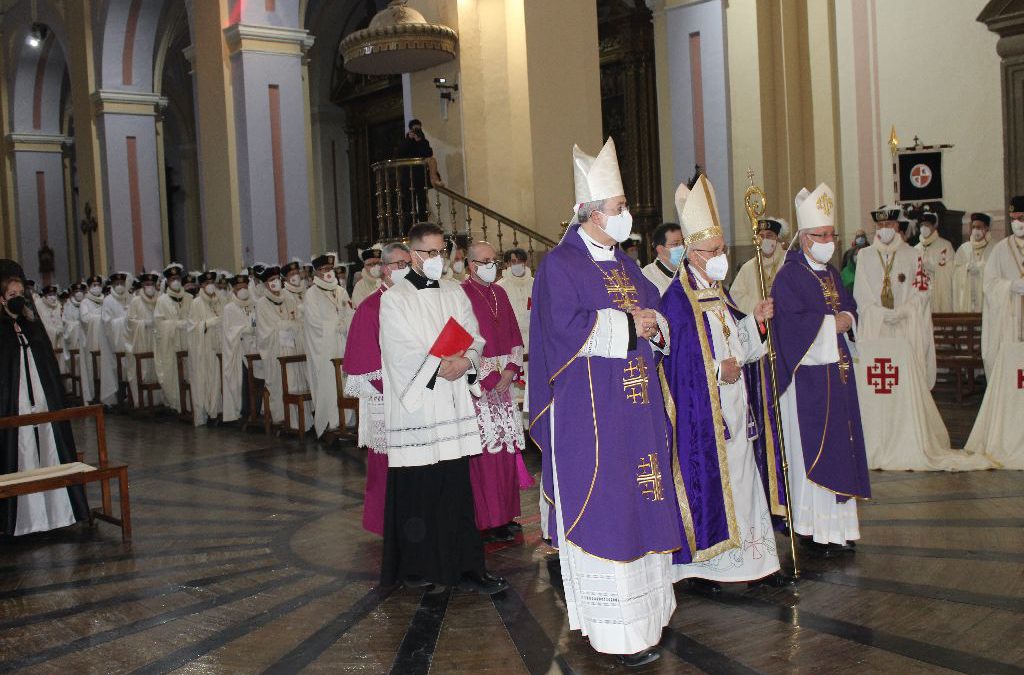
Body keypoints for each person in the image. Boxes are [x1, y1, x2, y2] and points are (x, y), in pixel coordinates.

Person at [529, 138, 680, 667]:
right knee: (611, 508)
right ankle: (617, 632)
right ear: (592, 213)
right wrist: (628, 325)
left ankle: (648, 619)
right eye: (619, 209)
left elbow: (657, 313)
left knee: (643, 500)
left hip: (636, 410)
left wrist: (652, 327)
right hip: (591, 417)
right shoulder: (560, 265)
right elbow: (561, 330)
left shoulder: (622, 262)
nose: (627, 216)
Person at [660, 176, 786, 591]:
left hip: (735, 411)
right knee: (712, 488)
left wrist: (757, 322)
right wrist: (717, 372)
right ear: (691, 254)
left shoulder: (717, 291)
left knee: (745, 485)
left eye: (721, 249)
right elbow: (678, 366)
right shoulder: (677, 302)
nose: (720, 257)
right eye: (712, 251)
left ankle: (757, 563)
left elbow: (739, 344)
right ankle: (704, 568)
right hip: (705, 418)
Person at [379, 222, 507, 596]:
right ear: (414, 255)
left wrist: (466, 361)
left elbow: (474, 333)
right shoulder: (395, 298)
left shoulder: (454, 292)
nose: (438, 260)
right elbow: (400, 351)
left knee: (455, 488)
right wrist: (440, 366)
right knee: (422, 489)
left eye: (442, 252)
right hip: (419, 408)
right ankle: (422, 567)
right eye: (430, 253)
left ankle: (468, 566)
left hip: (451, 403)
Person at [771, 183, 872, 555]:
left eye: (832, 234)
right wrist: (834, 325)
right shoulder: (790, 276)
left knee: (841, 448)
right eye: (821, 235)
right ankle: (812, 530)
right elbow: (793, 327)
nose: (828, 240)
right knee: (812, 453)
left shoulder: (829, 273)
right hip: (808, 382)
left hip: (838, 376)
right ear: (804, 237)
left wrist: (846, 317)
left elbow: (849, 308)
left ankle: (839, 528)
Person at [854, 205, 989, 471]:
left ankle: (907, 436)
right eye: (880, 227)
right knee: (878, 390)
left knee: (905, 389)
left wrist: (905, 311)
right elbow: (861, 295)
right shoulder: (866, 256)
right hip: (877, 333)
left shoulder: (912, 255)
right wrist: (879, 314)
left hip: (906, 329)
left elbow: (922, 291)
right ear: (875, 229)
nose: (885, 231)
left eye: (890, 226)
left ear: (898, 227)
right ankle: (877, 437)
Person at [0, 259, 89, 536]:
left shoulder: (33, 325)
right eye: (11, 296)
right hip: (15, 407)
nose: (18, 300)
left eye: (21, 295)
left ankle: (56, 513)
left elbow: (47, 365)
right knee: (21, 450)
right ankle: (23, 519)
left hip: (41, 402)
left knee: (49, 446)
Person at [343, 242, 412, 536]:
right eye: (399, 265)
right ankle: (387, 523)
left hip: (418, 397)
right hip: (389, 400)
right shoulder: (371, 306)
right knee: (387, 467)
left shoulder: (417, 300)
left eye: (409, 264)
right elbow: (363, 364)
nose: (405, 270)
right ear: (384, 270)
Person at [461, 241, 526, 542]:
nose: (492, 265)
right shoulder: (460, 294)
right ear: (472, 265)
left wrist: (511, 370)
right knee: (486, 453)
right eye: (486, 261)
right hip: (479, 387)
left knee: (506, 450)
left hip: (504, 384)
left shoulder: (499, 292)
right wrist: (489, 377)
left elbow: (514, 334)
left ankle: (506, 515)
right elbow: (462, 342)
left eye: (494, 260)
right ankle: (486, 520)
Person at [965, 195, 1024, 467]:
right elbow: (990, 285)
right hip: (1009, 326)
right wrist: (1010, 287)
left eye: (1021, 219)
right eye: (1013, 220)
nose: (1017, 224)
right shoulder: (1001, 250)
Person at [303, 252, 353, 438]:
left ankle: (347, 420)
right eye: (324, 269)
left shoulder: (340, 291)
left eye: (330, 268)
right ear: (316, 273)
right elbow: (314, 323)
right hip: (325, 348)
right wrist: (335, 326)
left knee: (345, 381)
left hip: (343, 344)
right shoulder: (311, 294)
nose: (328, 272)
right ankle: (331, 421)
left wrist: (345, 323)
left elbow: (349, 311)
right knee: (330, 383)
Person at [256, 265, 309, 431]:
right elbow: (266, 332)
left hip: (293, 350)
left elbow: (298, 320)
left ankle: (303, 422)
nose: (276, 282)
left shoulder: (289, 298)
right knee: (282, 384)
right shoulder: (262, 304)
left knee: (298, 384)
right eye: (272, 280)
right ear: (266, 284)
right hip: (276, 353)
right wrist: (286, 325)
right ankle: (285, 419)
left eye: (277, 279)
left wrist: (291, 324)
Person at [153, 263, 193, 413]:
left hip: (188, 343)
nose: (175, 281)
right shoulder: (162, 300)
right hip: (170, 344)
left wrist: (187, 324)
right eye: (172, 279)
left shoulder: (189, 298)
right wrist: (175, 325)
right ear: (168, 282)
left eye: (177, 278)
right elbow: (159, 325)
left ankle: (190, 404)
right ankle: (177, 404)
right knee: (173, 374)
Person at [187, 271, 224, 426]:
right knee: (207, 380)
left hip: (219, 346)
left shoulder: (220, 300)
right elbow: (192, 328)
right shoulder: (196, 303)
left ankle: (219, 411)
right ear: (201, 286)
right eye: (206, 283)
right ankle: (208, 413)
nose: (210, 286)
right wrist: (207, 324)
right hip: (204, 349)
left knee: (219, 380)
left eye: (212, 283)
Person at [729, 217, 787, 315]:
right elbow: (735, 296)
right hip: (759, 323)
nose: (765, 240)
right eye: (761, 236)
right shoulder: (747, 268)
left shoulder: (788, 261)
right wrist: (758, 306)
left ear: (777, 237)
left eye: (769, 235)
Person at [221, 271, 258, 424]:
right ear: (234, 290)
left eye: (245, 286)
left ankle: (257, 409)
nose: (242, 290)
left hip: (254, 348)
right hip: (238, 351)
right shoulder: (229, 308)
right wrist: (243, 329)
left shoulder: (254, 304)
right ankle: (244, 411)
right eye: (239, 287)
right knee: (243, 381)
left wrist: (254, 327)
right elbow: (228, 332)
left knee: (257, 380)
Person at [124, 273, 162, 408]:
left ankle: (159, 400)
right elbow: (129, 322)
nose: (149, 287)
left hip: (156, 339)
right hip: (141, 341)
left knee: (158, 368)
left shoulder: (160, 299)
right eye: (147, 285)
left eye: (152, 285)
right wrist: (144, 323)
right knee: (144, 370)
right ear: (142, 286)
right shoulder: (135, 301)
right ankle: (143, 401)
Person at [395, 118, 443, 222]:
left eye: (419, 129)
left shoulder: (423, 141)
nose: (417, 131)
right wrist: (409, 139)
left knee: (422, 204)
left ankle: (423, 226)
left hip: (421, 177)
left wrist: (420, 141)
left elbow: (428, 153)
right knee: (409, 205)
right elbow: (400, 153)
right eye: (415, 129)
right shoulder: (406, 140)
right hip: (408, 177)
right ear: (410, 129)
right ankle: (410, 228)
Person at [99, 272, 131, 405]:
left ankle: (133, 396)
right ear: (112, 285)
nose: (120, 286)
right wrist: (124, 321)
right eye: (116, 284)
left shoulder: (130, 298)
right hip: (115, 345)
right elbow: (108, 324)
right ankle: (119, 397)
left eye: (122, 284)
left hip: (131, 343)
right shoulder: (108, 301)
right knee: (118, 370)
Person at [953, 212, 994, 312]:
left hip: (987, 301)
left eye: (979, 227)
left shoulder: (994, 247)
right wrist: (965, 268)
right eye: (974, 227)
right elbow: (954, 273)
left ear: (987, 228)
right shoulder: (963, 248)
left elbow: (997, 273)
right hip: (967, 302)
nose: (976, 230)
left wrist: (981, 269)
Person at [915, 212, 955, 313]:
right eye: (921, 225)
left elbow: (953, 270)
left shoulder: (945, 245)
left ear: (934, 226)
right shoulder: (915, 249)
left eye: (927, 225)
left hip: (939, 293)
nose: (924, 228)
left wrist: (936, 269)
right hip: (922, 295)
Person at [62, 282, 94, 404]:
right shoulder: (68, 306)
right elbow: (65, 324)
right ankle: (78, 392)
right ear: (73, 293)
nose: (79, 294)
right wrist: (76, 326)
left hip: (87, 341)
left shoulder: (87, 304)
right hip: (74, 343)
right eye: (76, 292)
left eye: (81, 291)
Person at [496, 248, 533, 353]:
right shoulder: (500, 287)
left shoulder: (535, 284)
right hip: (511, 341)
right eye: (513, 262)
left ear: (525, 263)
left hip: (533, 339)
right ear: (507, 264)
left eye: (520, 261)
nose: (517, 264)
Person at [78, 275, 107, 403]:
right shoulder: (85, 302)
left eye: (98, 285)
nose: (97, 288)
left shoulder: (105, 300)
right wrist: (99, 317)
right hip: (91, 342)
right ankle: (95, 396)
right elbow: (85, 319)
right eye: (93, 285)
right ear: (89, 288)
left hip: (105, 341)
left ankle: (107, 397)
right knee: (94, 370)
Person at [641, 222, 684, 296]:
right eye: (675, 244)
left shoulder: (689, 271)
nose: (683, 248)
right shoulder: (647, 277)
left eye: (683, 243)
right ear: (660, 249)